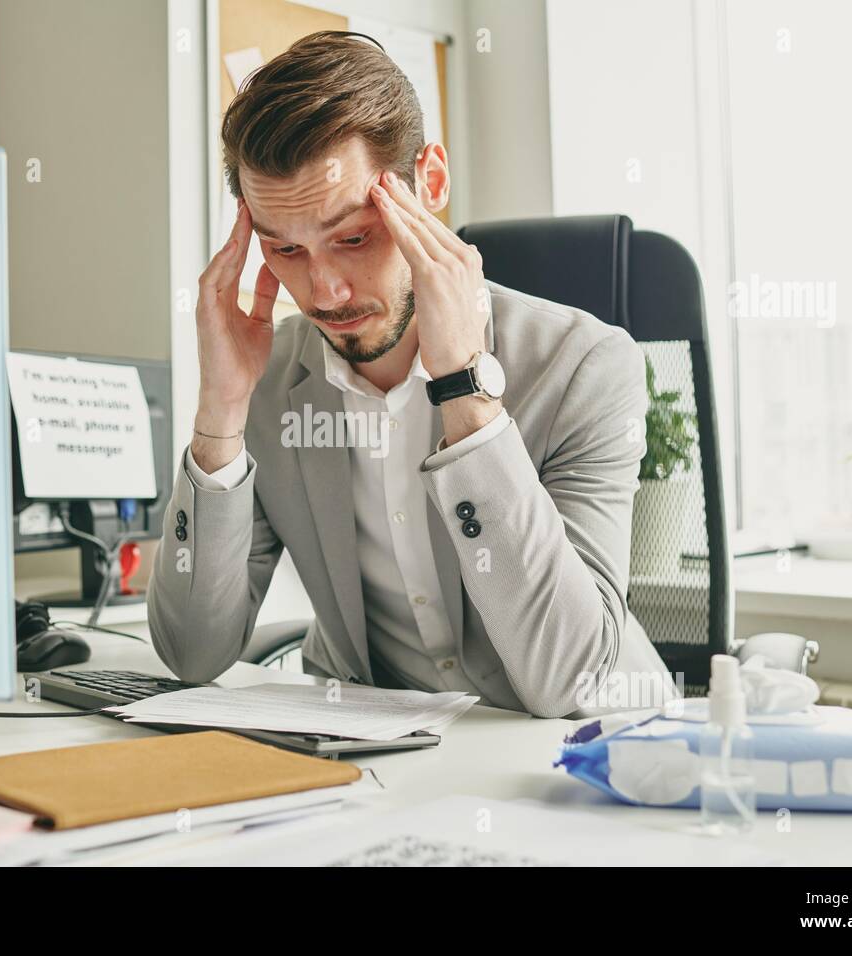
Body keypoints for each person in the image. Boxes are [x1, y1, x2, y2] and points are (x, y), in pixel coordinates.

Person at [148, 31, 669, 718]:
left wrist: (463, 392)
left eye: (354, 237)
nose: (326, 290)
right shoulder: (271, 388)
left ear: (431, 182)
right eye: (285, 250)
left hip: (584, 761)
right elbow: (192, 654)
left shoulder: (585, 367)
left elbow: (570, 680)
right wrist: (220, 413)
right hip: (376, 762)